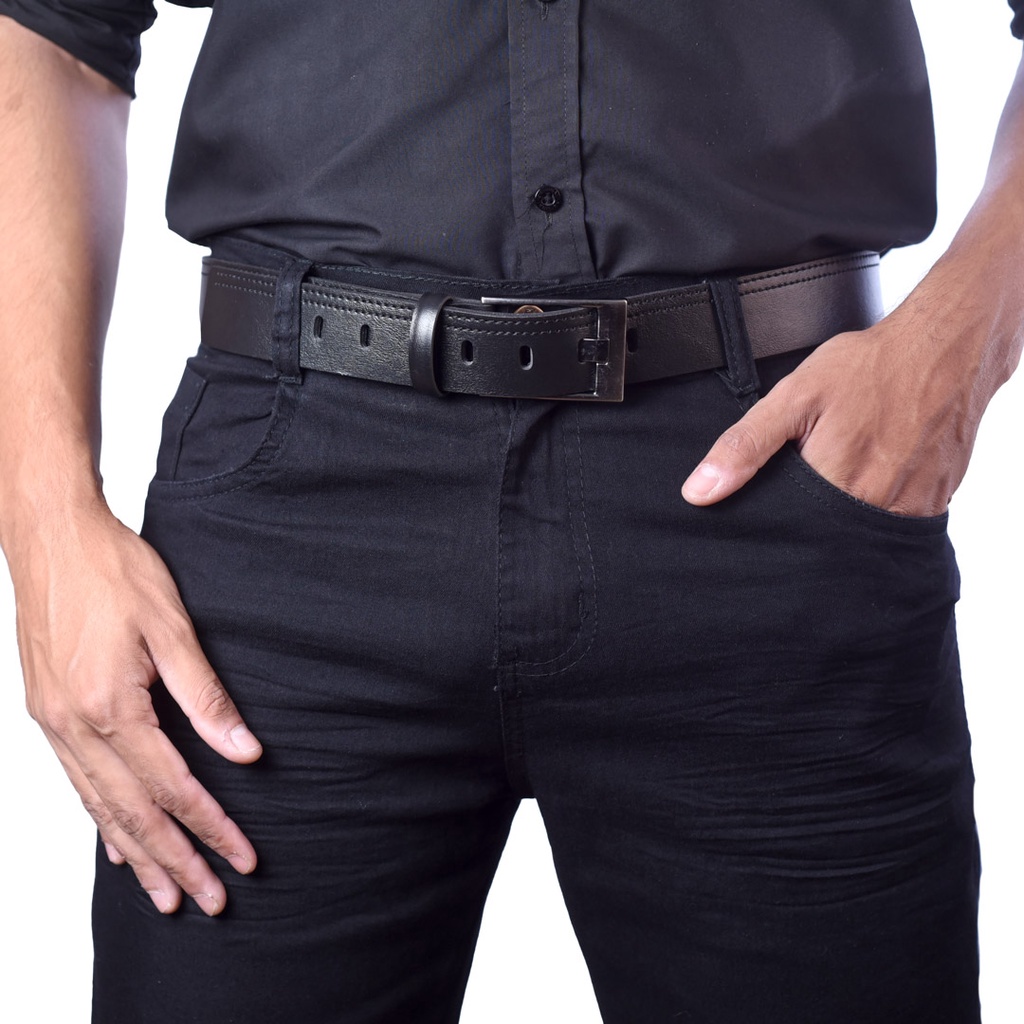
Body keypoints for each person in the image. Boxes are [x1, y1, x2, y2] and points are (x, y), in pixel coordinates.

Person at [0, 2, 1021, 1022]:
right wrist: (45, 525)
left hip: (772, 494)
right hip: (290, 522)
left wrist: (959, 344)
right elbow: (48, 24)